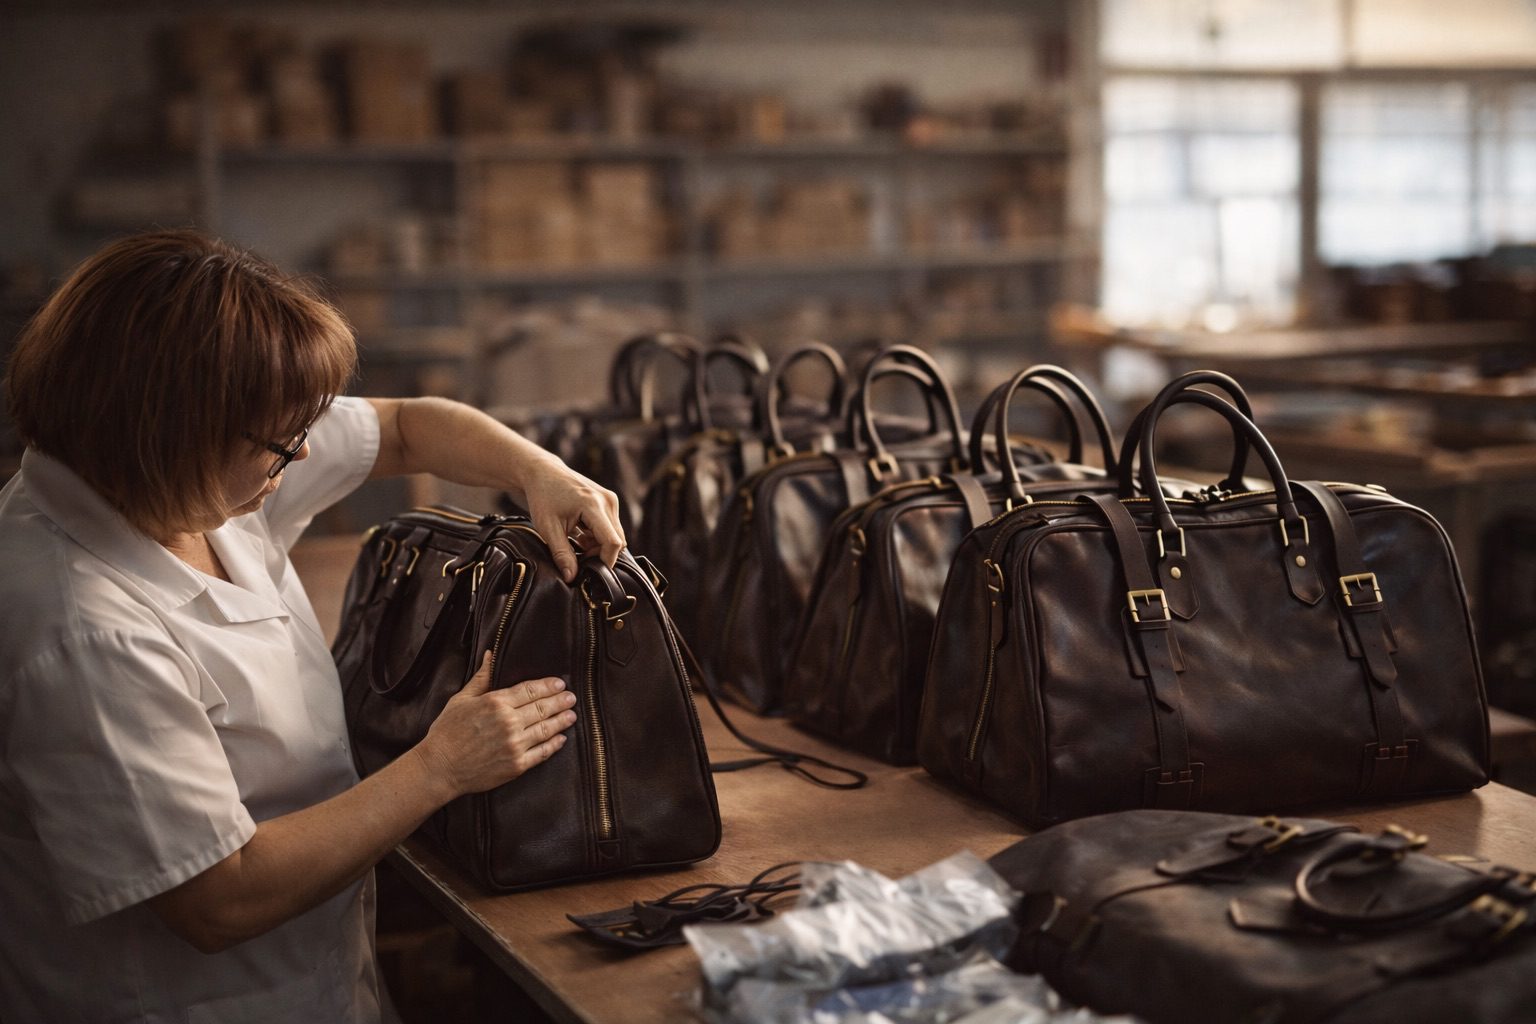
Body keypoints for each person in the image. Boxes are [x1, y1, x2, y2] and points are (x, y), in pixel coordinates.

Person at [0, 229, 627, 1023]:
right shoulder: (80, 631)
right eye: (280, 443)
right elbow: (219, 899)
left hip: (319, 976)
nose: (300, 456)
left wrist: (540, 471)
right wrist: (442, 766)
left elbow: (404, 426)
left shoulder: (186, 477)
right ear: (171, 433)